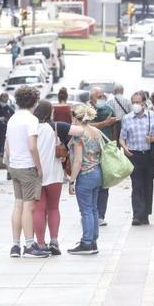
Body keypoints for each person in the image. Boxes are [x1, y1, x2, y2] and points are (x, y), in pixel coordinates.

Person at [5, 86, 50, 258]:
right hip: (27, 166)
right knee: (28, 207)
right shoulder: (31, 120)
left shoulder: (12, 119)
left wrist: (13, 160)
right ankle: (30, 245)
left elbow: (8, 146)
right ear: (34, 102)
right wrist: (38, 167)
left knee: (18, 204)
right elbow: (32, 146)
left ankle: (15, 246)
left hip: (15, 166)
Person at [32, 100, 75, 256]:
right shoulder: (57, 126)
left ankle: (41, 243)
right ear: (50, 113)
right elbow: (80, 132)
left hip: (35, 173)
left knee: (38, 209)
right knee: (53, 208)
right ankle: (54, 240)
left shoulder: (31, 128)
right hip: (55, 174)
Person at [119, 92, 154, 226]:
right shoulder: (127, 118)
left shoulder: (151, 115)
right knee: (137, 184)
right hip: (134, 155)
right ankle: (137, 215)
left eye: (138, 102)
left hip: (149, 155)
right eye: (133, 102)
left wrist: (153, 139)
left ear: (144, 103)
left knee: (148, 184)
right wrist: (124, 147)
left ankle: (145, 214)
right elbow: (122, 137)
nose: (135, 105)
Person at [66, 103, 105, 254]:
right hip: (98, 172)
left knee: (86, 211)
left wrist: (71, 180)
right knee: (94, 209)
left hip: (85, 174)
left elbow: (78, 160)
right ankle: (93, 240)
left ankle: (87, 242)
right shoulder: (96, 131)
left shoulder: (79, 134)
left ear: (76, 117)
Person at [89, 88, 117, 226]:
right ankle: (89, 212)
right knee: (90, 184)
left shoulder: (108, 109)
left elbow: (115, 128)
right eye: (99, 96)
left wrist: (116, 147)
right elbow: (83, 126)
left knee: (104, 184)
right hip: (89, 152)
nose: (101, 98)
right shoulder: (85, 111)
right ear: (91, 98)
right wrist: (104, 124)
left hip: (105, 151)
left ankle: (100, 214)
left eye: (103, 96)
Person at [0, 92, 16, 182]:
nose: (5, 100)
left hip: (6, 133)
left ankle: (9, 172)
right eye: (3, 98)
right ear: (0, 99)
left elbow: (14, 118)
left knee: (8, 153)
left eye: (6, 98)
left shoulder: (10, 108)